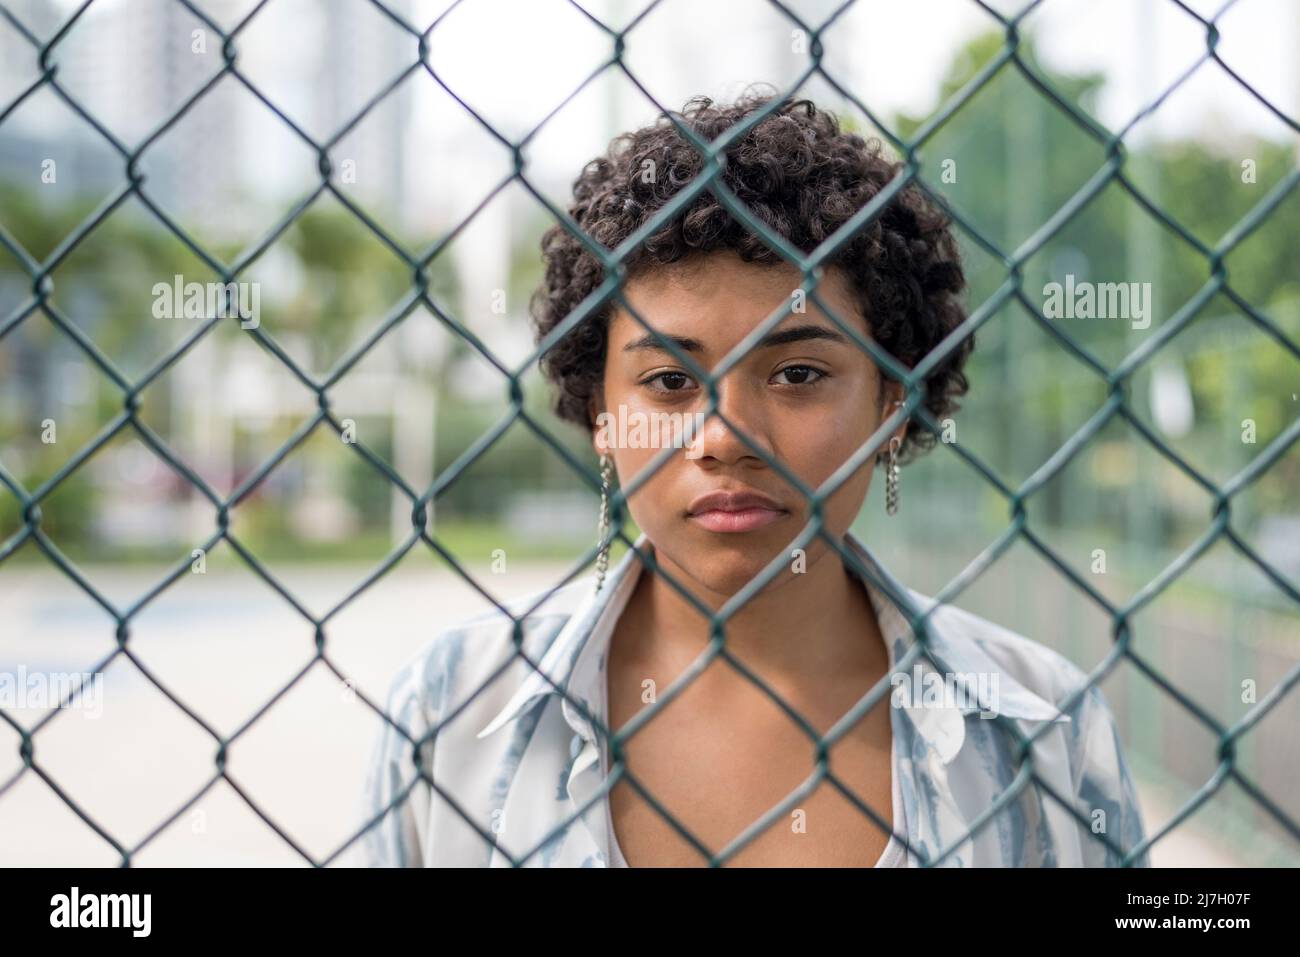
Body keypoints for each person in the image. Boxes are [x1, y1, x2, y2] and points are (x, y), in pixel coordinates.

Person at [355, 88, 1150, 868]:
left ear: (892, 402)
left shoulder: (1045, 725)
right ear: (601, 410)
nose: (725, 439)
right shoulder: (448, 713)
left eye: (798, 372)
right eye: (669, 382)